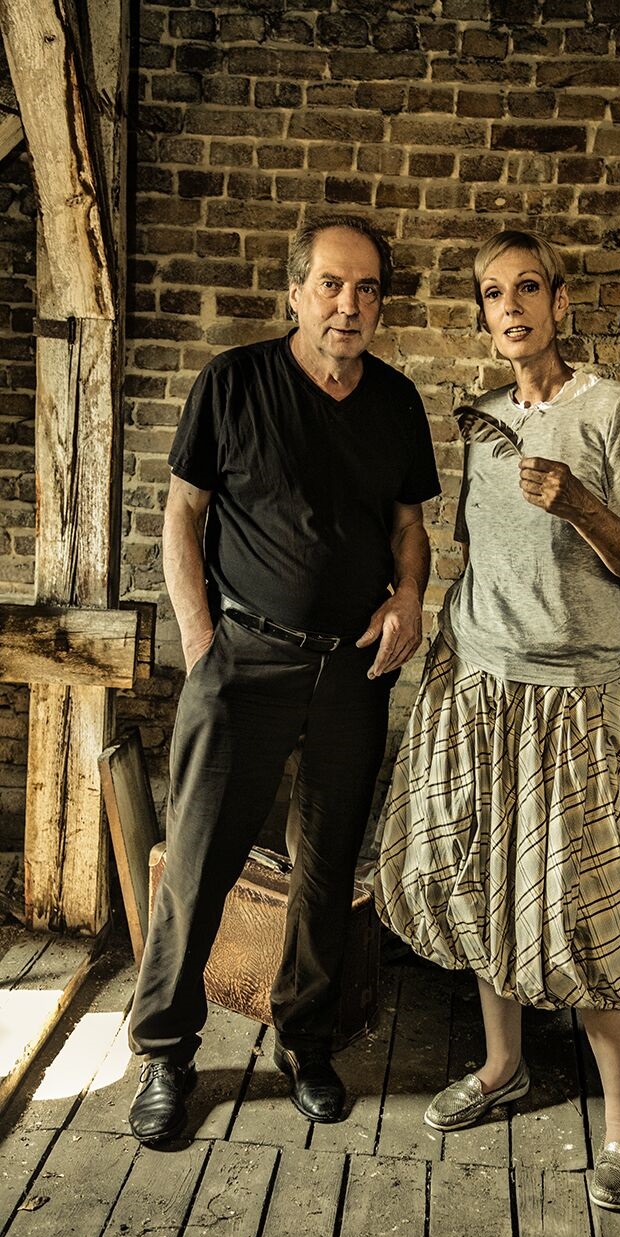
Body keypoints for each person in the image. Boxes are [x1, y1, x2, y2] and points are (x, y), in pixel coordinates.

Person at [375, 229, 620, 1212]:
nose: (510, 307)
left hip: (573, 699)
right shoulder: (485, 420)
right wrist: (446, 652)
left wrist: (581, 503)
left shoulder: (609, 409)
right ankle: (503, 1065)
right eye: (492, 294)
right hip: (478, 687)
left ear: (559, 303)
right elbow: (479, 554)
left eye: (528, 288)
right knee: (483, 883)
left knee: (589, 907)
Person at [128, 214, 440, 1143]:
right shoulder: (232, 382)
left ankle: (305, 1042)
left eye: (367, 288)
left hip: (353, 665)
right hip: (243, 658)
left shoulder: (395, 401)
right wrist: (201, 641)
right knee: (197, 865)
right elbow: (183, 515)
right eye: (331, 285)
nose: (349, 304)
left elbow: (408, 528)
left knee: (327, 866)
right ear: (295, 292)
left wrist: (410, 597)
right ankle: (166, 1053)